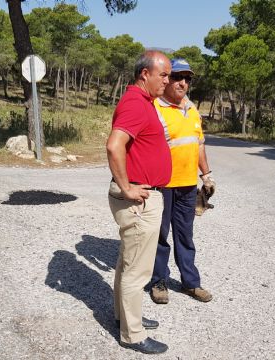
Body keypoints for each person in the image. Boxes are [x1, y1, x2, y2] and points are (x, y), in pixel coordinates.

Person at [106, 50, 172, 355]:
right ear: (144, 73)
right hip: (140, 199)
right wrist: (126, 187)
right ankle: (132, 334)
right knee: (137, 271)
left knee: (127, 262)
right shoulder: (135, 102)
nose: (168, 81)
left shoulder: (144, 102)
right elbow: (114, 145)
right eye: (164, 75)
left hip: (145, 195)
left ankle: (124, 316)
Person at [149, 58, 215, 305]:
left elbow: (199, 145)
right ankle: (159, 281)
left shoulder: (192, 109)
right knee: (160, 235)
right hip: (162, 184)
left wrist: (206, 176)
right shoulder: (155, 107)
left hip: (187, 185)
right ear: (166, 79)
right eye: (177, 77)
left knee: (185, 236)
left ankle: (190, 283)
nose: (183, 83)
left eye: (187, 79)